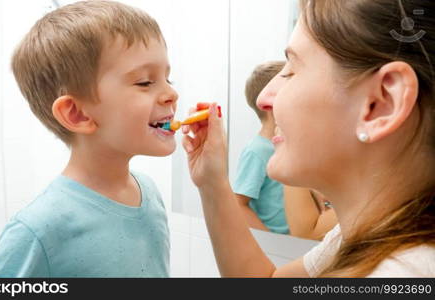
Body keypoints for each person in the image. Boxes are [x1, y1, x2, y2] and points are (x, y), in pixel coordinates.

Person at [182, 0, 435, 277]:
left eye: (291, 71)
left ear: (381, 103)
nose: (263, 99)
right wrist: (212, 182)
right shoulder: (367, 236)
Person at [0, 1, 177, 277]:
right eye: (145, 82)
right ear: (77, 114)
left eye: (170, 79)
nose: (171, 93)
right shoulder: (38, 229)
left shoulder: (148, 192)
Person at [233, 61, 289, 233]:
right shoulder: (257, 151)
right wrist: (269, 239)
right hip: (277, 246)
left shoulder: (290, 147)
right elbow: (239, 204)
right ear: (271, 104)